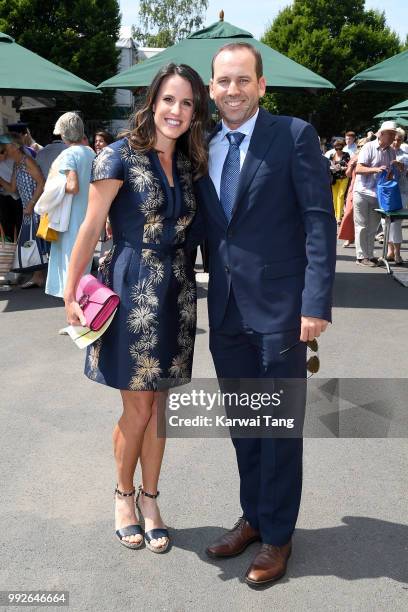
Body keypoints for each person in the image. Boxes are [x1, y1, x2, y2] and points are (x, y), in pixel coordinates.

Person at [191, 42, 336, 586]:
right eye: (223, 82)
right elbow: (206, 227)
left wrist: (315, 303)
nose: (233, 90)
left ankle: (278, 536)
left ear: (261, 85)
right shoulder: (201, 145)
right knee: (245, 426)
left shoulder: (293, 135)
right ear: (212, 88)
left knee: (277, 428)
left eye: (242, 80)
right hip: (225, 311)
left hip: (282, 312)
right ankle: (253, 517)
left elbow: (319, 222)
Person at [63, 64, 209, 552]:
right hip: (131, 291)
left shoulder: (190, 162)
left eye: (187, 103)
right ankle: (123, 495)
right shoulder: (117, 156)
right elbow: (89, 227)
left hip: (177, 294)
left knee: (160, 404)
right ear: (152, 101)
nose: (177, 111)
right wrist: (70, 292)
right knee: (138, 405)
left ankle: (151, 499)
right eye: (170, 99)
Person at [45, 113, 95, 298]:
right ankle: (83, 317)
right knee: (84, 270)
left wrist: (54, 188)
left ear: (64, 134)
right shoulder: (91, 152)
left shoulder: (68, 154)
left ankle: (74, 318)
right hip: (89, 216)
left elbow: (73, 186)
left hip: (70, 219)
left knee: (70, 270)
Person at [0, 133, 46, 288]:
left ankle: (39, 276)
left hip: (35, 208)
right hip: (27, 208)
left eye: (5, 147)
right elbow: (12, 189)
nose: (3, 150)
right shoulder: (17, 164)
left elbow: (41, 182)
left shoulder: (27, 162)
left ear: (14, 146)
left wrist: (31, 204)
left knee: (37, 242)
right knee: (33, 242)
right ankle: (37, 275)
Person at [353, 121, 401, 267]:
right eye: (391, 134)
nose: (394, 137)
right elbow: (359, 169)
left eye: (394, 134)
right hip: (362, 191)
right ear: (381, 134)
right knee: (361, 225)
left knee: (373, 227)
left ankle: (370, 255)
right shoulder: (369, 147)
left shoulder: (391, 151)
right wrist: (375, 169)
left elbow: (389, 175)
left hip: (378, 194)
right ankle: (361, 257)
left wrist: (395, 169)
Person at [385, 128, 408, 264]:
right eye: (394, 138)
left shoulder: (405, 155)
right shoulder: (384, 153)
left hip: (402, 191)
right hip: (386, 192)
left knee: (397, 222)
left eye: (399, 139)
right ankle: (389, 250)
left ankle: (397, 253)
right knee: (386, 222)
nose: (396, 141)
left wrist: (401, 166)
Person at [338, 138, 367, 247]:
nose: (360, 148)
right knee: (349, 212)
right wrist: (351, 165)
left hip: (367, 189)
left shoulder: (370, 156)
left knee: (364, 217)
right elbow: (348, 174)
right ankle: (349, 238)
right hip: (354, 187)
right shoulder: (355, 158)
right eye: (359, 146)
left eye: (363, 146)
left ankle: (363, 240)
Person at [329, 139, 350, 222]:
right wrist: (332, 168)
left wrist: (341, 168)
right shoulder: (331, 156)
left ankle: (338, 217)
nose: (338, 150)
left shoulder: (346, 155)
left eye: (340, 148)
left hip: (344, 177)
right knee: (334, 197)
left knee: (340, 196)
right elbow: (329, 166)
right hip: (334, 178)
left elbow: (349, 166)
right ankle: (335, 215)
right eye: (336, 148)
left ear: (342, 147)